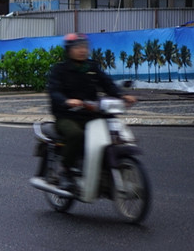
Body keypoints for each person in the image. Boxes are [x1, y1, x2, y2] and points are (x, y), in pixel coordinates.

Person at [48, 32, 135, 187]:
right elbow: (54, 92)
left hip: (91, 114)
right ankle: (64, 170)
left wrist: (123, 96)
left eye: (84, 47)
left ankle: (102, 169)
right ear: (69, 50)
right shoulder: (59, 69)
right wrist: (67, 101)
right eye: (77, 47)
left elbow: (107, 84)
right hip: (67, 116)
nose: (82, 50)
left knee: (113, 134)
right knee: (76, 135)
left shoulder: (92, 67)